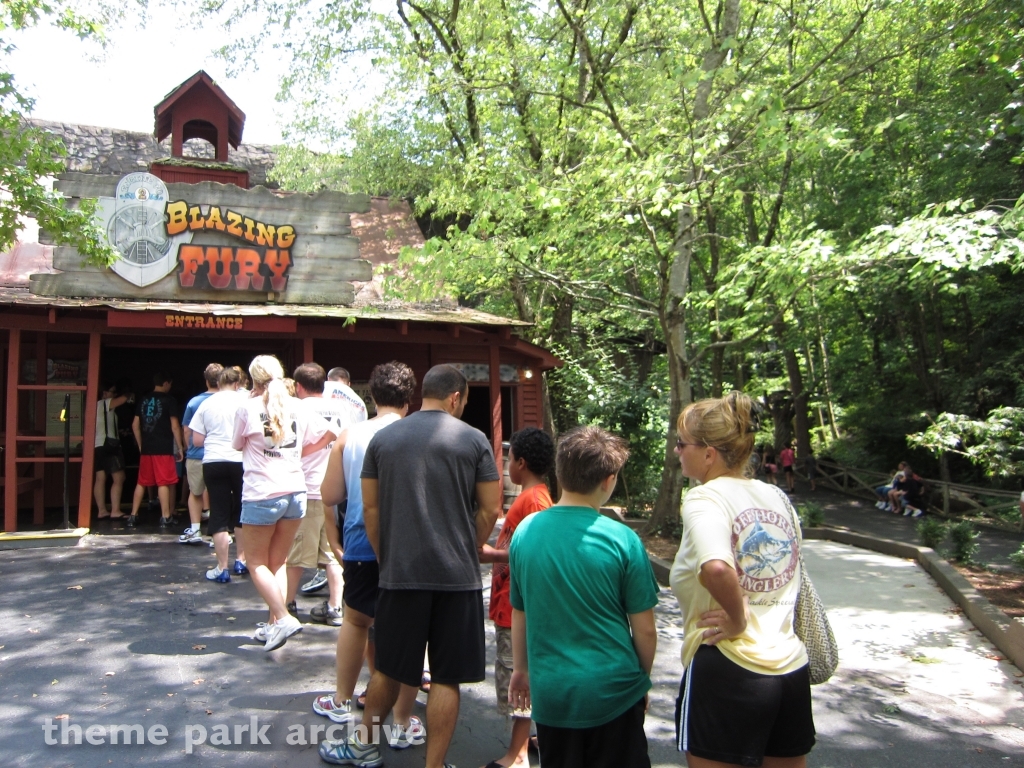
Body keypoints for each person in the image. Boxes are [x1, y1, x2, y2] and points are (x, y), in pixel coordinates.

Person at [319, 364, 502, 768]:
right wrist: (467, 545)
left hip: (400, 573)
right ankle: (433, 765)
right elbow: (491, 507)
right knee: (446, 677)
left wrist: (387, 555)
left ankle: (364, 746)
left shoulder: (384, 440)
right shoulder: (474, 440)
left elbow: (369, 507)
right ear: (456, 397)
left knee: (388, 667)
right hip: (458, 577)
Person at [670, 392, 815, 768]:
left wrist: (737, 618)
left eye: (681, 443)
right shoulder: (777, 496)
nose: (676, 451)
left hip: (729, 667)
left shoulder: (705, 499)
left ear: (708, 453)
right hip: (789, 669)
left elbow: (716, 567)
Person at [505, 426, 657, 768]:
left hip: (553, 693)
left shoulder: (526, 532)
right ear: (609, 480)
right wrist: (641, 679)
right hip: (615, 690)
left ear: (559, 472)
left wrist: (521, 669)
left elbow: (520, 611)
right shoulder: (623, 539)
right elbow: (645, 630)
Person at [314, 361, 422, 747]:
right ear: (410, 400)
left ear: (371, 396)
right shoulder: (421, 435)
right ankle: (403, 720)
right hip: (410, 547)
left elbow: (329, 496)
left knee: (357, 622)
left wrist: (333, 538)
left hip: (360, 543)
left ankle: (342, 699)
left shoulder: (351, 435)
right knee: (410, 631)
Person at [233, 355, 332, 650]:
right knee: (278, 562)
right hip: (296, 491)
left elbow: (237, 444)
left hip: (262, 493)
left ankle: (283, 616)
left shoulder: (248, 408)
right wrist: (300, 452)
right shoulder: (298, 406)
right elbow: (329, 432)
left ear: (254, 379)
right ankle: (274, 625)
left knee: (256, 563)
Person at [478, 426, 555, 768]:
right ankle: (534, 738)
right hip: (509, 603)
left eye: (509, 459)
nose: (508, 465)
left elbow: (537, 549)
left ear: (521, 463)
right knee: (518, 674)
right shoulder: (531, 496)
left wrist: (492, 555)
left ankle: (518, 753)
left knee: (518, 676)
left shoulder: (535, 499)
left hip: (517, 608)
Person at [283, 362, 350, 623]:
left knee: (296, 553)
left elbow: (291, 449)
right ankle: (335, 607)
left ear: (298, 386)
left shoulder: (296, 409)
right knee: (332, 552)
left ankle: (288, 604)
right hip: (336, 489)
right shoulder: (340, 407)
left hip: (308, 487)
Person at [189, 367, 247, 582]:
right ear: (237, 383)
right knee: (242, 510)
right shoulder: (246, 402)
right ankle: (241, 560)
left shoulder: (206, 403)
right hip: (241, 460)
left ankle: (222, 568)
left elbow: (196, 440)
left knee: (219, 512)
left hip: (214, 460)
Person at [127, 373, 184, 528]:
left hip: (147, 448)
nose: (170, 387)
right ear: (166, 383)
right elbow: (174, 426)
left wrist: (140, 444)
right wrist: (180, 447)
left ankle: (133, 515)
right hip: (163, 448)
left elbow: (134, 425)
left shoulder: (143, 399)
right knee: (163, 482)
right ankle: (166, 517)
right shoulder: (169, 400)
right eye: (170, 384)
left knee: (142, 481)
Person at [179, 363, 222, 543]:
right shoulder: (229, 401)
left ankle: (195, 530)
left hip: (197, 454)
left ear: (206, 381)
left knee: (195, 493)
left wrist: (187, 448)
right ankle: (219, 533)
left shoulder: (194, 402)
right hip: (220, 454)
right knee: (219, 494)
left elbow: (187, 430)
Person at [93, 383, 132, 519]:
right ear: (104, 393)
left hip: (98, 444)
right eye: (112, 392)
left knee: (100, 478)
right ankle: (115, 510)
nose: (114, 395)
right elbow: (122, 400)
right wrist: (128, 392)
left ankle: (102, 510)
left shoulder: (95, 407)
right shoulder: (104, 404)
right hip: (109, 444)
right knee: (119, 477)